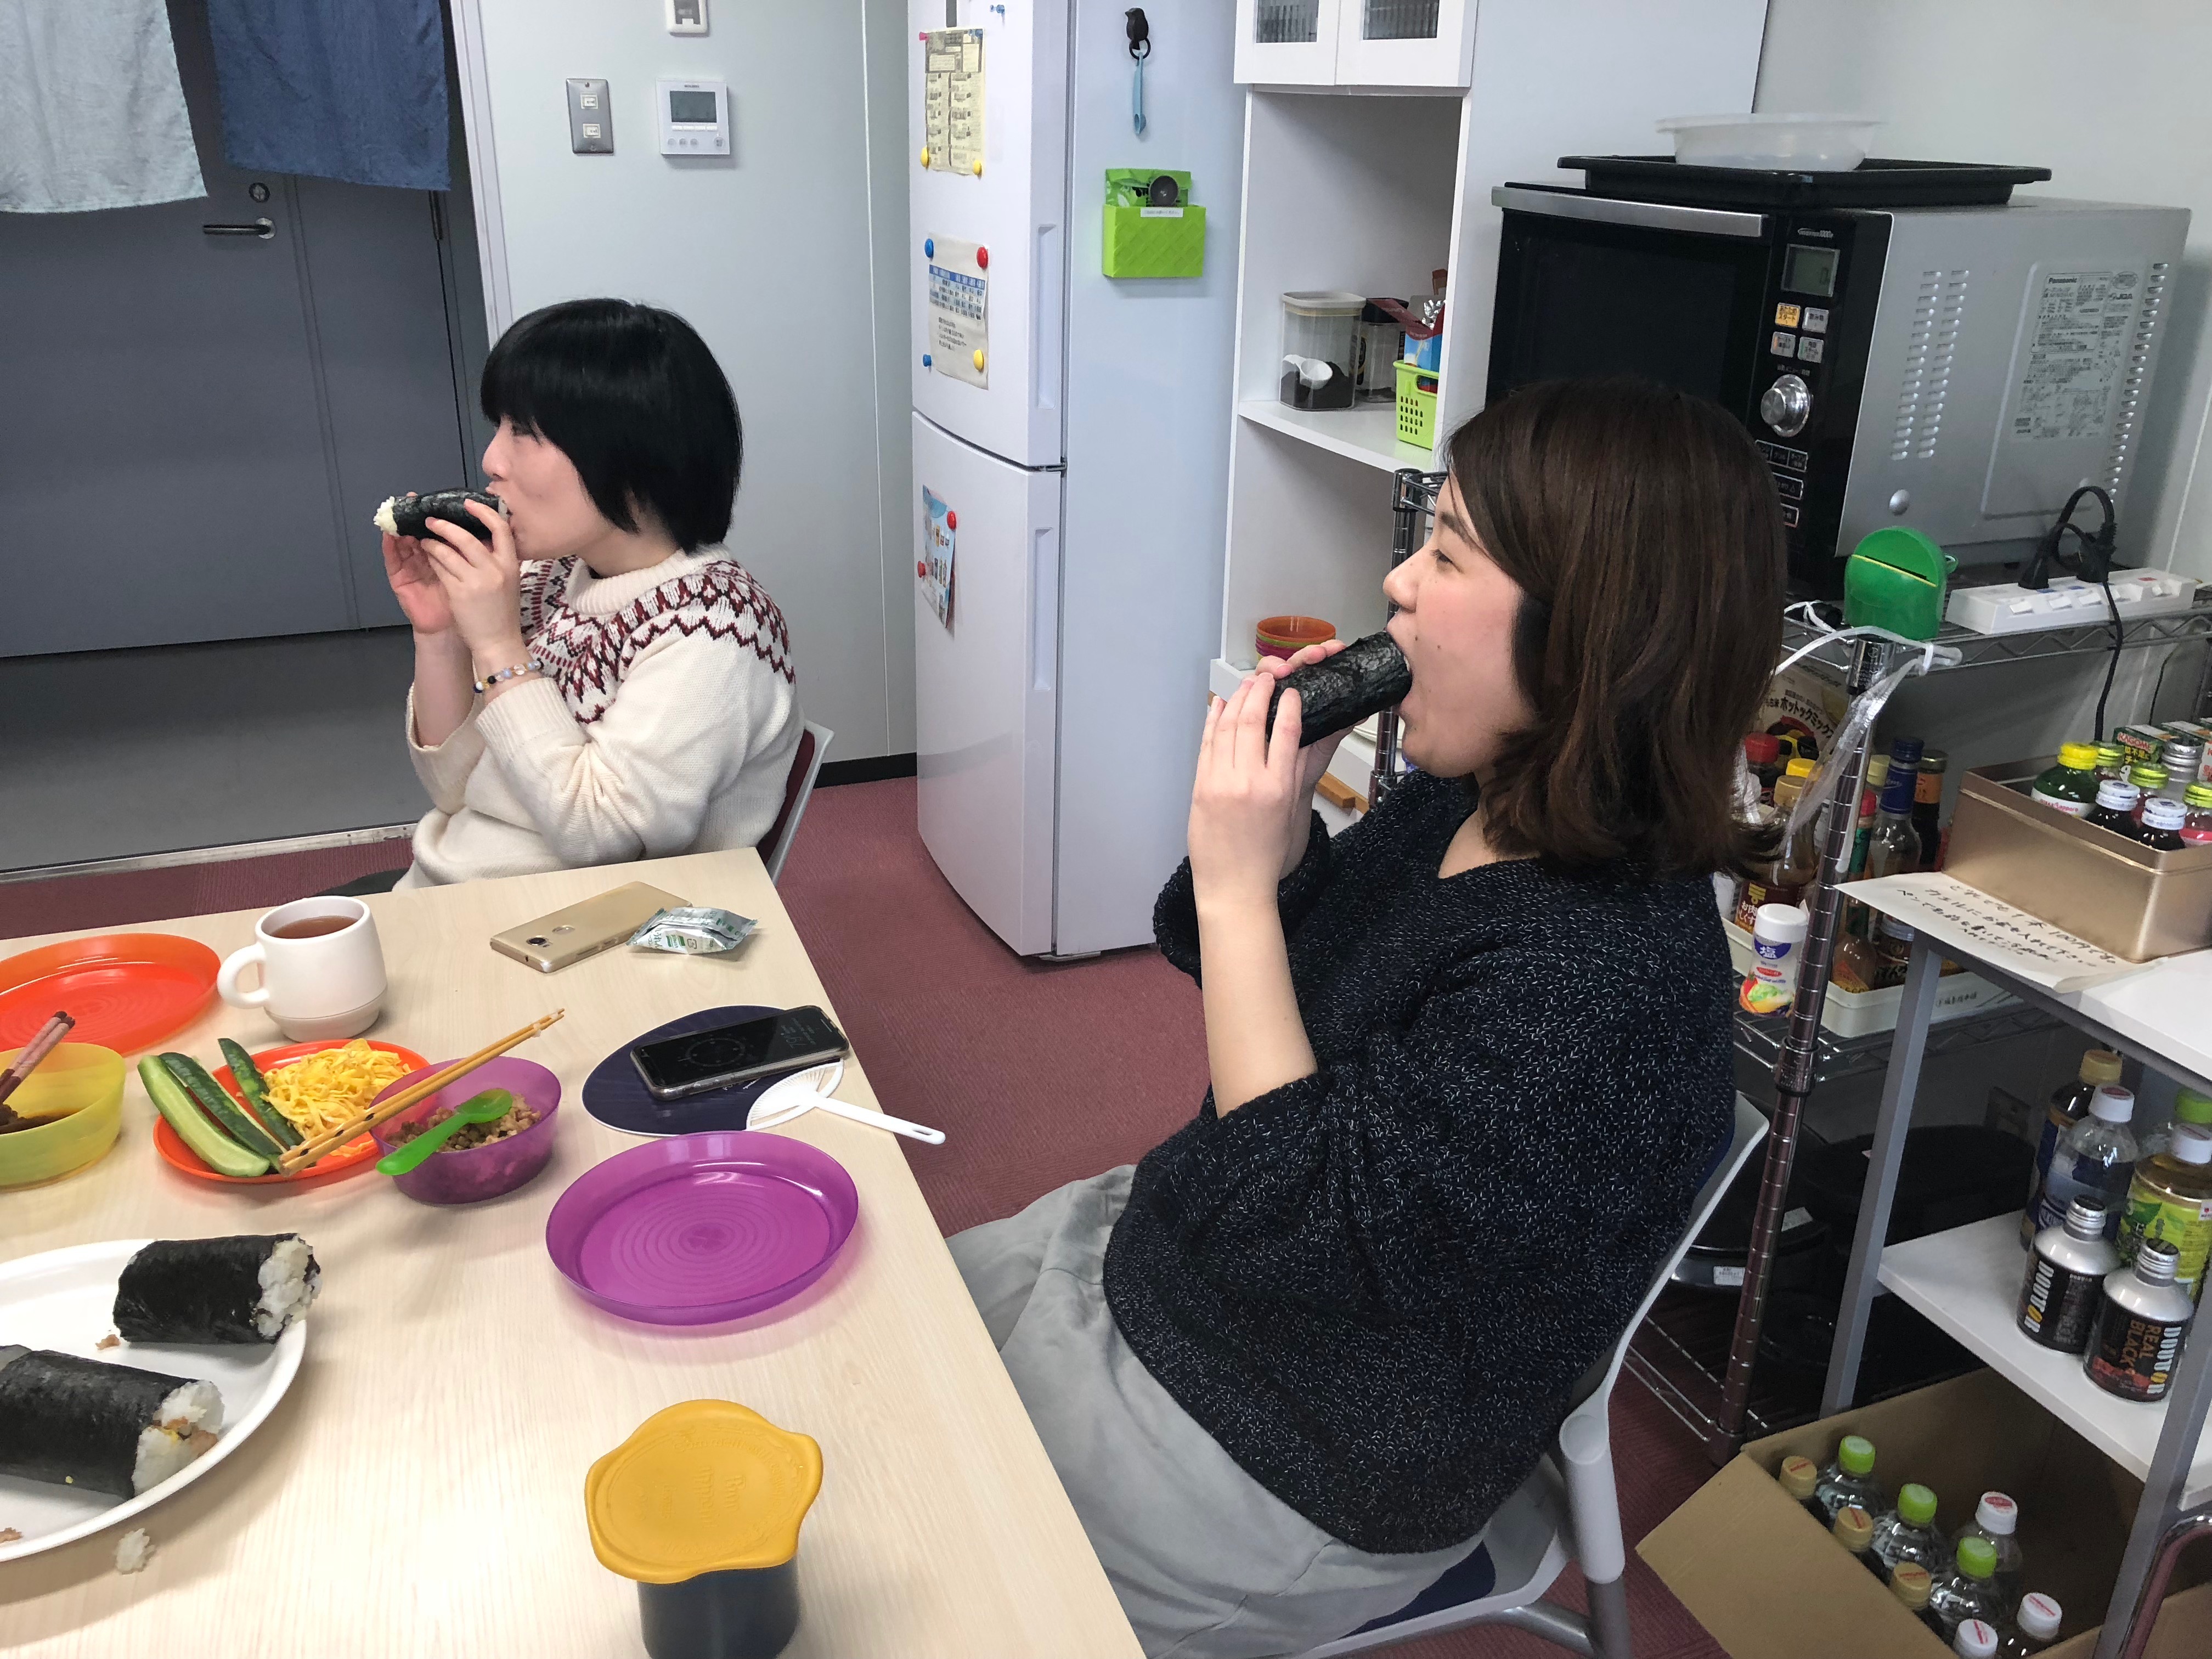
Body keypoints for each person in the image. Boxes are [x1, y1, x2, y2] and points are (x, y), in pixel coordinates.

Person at [949, 376, 1783, 1657]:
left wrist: (1238, 893)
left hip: (1299, 1447)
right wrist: (1278, 847)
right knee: (867, 1330)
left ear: (1589, 633)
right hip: (1188, 1260)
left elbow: (1297, 1220)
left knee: (915, 1553)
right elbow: (1279, 1002)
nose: (1396, 582)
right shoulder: (1476, 798)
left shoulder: (1602, 983)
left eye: (1446, 552)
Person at [366, 297, 800, 891]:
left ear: (629, 455)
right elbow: (455, 790)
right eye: (500, 428)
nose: (492, 459)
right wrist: (441, 634)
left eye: (524, 432)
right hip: (454, 892)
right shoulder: (548, 577)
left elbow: (603, 837)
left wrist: (498, 647)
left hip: (566, 923)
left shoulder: (716, 629)